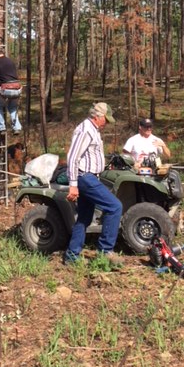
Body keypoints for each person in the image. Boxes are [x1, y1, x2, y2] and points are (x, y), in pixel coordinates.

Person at [64, 102, 123, 265]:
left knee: (84, 217)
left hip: (90, 176)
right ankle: (105, 251)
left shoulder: (93, 130)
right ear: (98, 116)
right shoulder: (85, 130)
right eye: (106, 119)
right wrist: (73, 184)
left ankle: (71, 256)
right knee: (115, 207)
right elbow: (73, 157)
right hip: (85, 178)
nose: (107, 123)